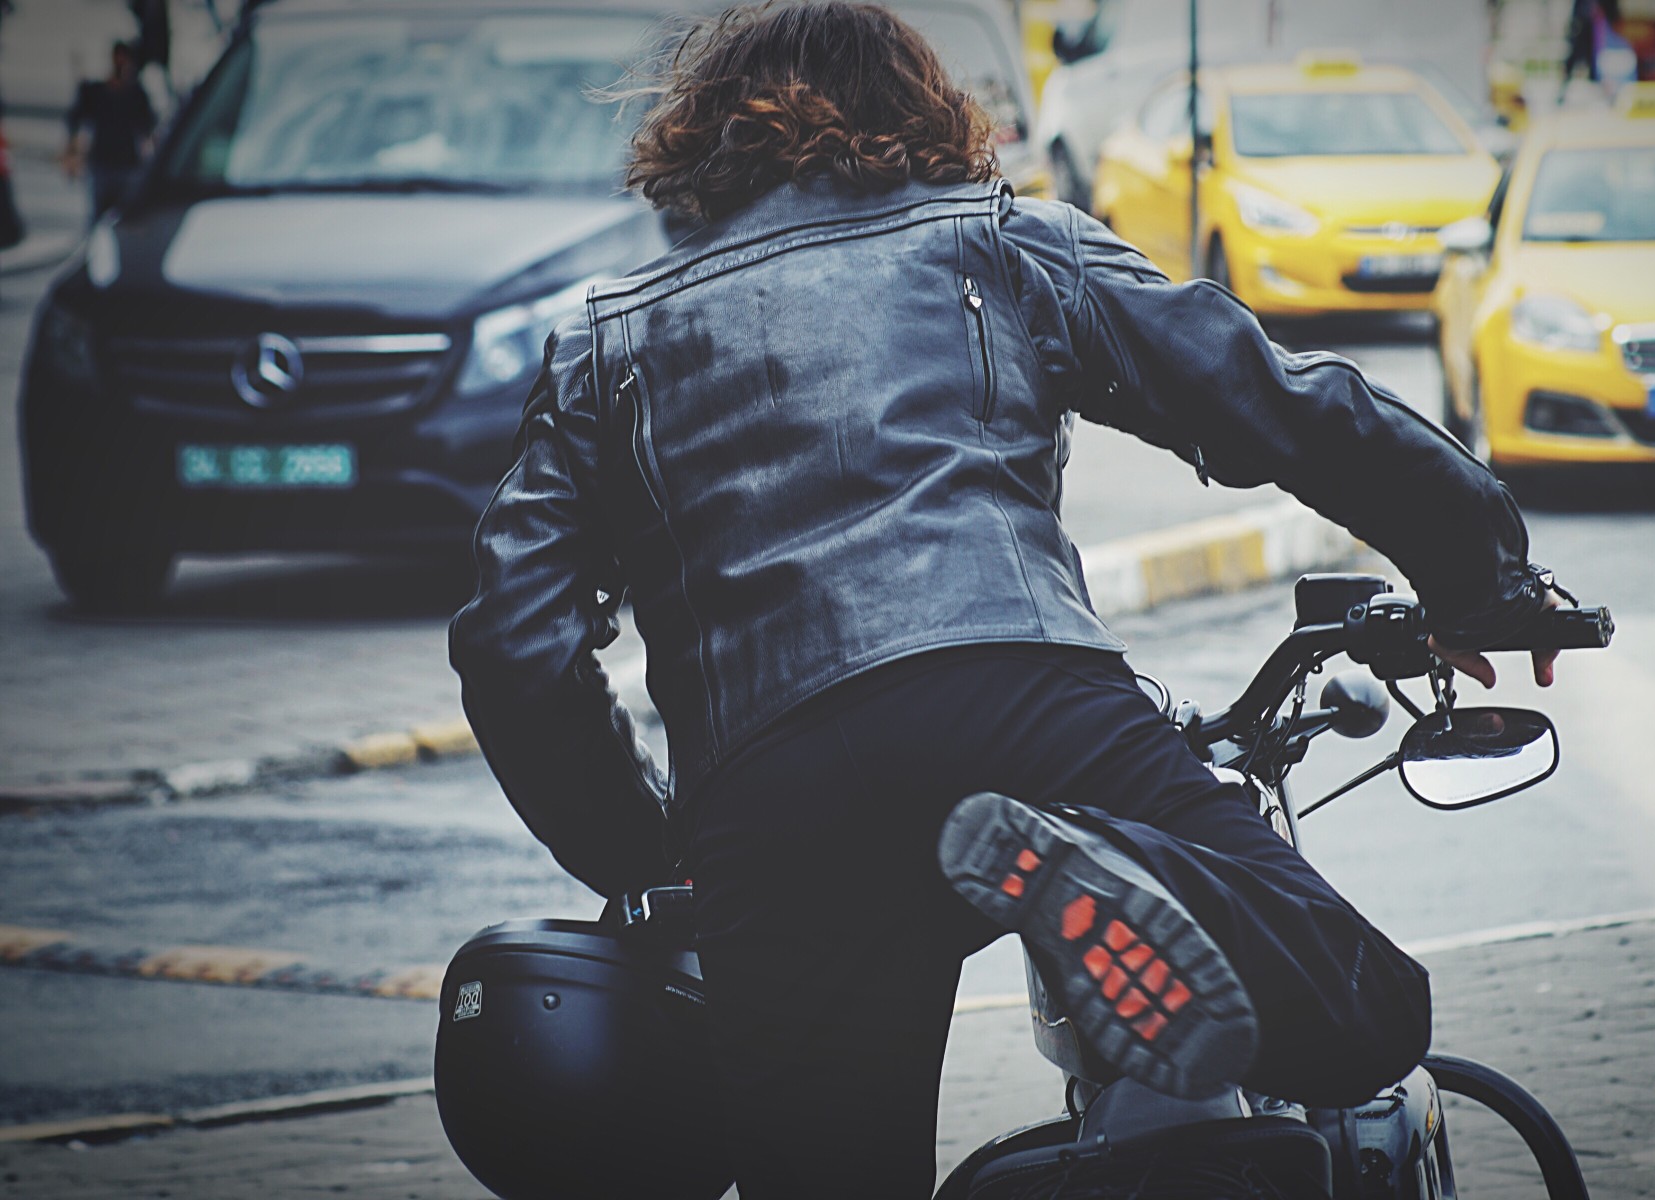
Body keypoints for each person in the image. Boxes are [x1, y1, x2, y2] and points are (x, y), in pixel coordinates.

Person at [450, 4, 1561, 1196]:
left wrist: (650, 849)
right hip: (1022, 705)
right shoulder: (1002, 243)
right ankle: (1103, 859)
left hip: (771, 795)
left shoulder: (607, 341)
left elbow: (516, 646)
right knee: (1367, 1016)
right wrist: (1476, 581)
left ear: (701, 144)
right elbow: (1271, 398)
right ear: (922, 112)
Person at [62, 41, 157, 222]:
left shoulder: (136, 94)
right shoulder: (96, 91)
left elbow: (149, 128)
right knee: (99, 217)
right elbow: (75, 120)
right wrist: (72, 154)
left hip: (127, 164)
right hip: (102, 163)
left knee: (125, 217)